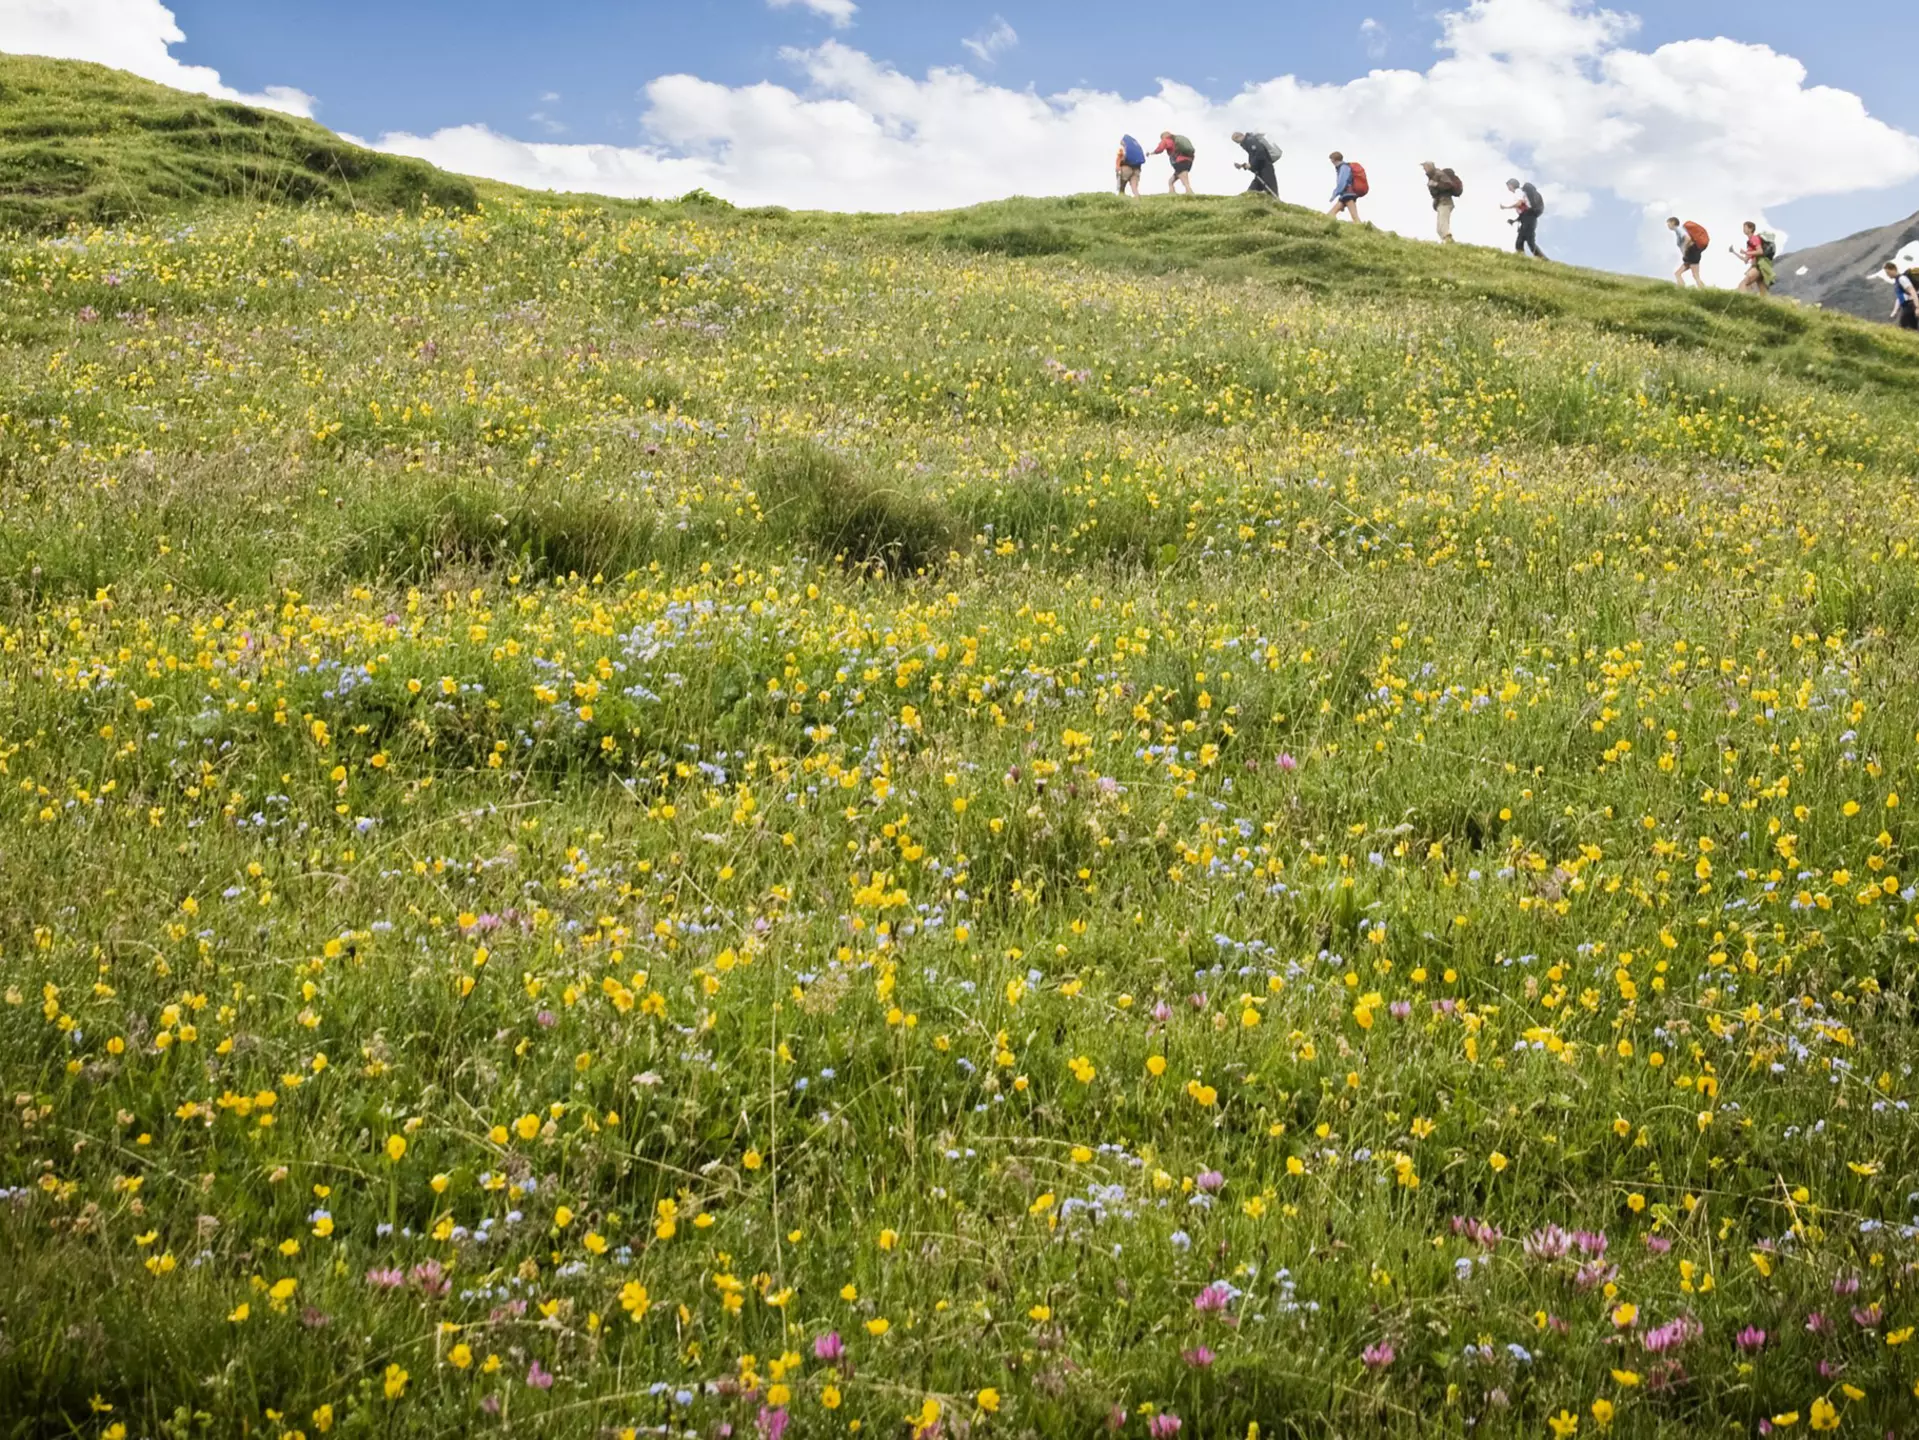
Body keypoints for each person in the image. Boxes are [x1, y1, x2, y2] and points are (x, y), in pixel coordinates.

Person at [1503, 178, 1548, 259]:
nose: (1508, 188)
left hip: (1529, 219)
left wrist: (1506, 207)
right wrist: (1514, 220)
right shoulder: (1521, 192)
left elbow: (1520, 203)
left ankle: (1542, 260)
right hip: (1528, 218)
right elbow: (1524, 208)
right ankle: (1526, 259)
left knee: (1523, 242)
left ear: (1511, 185)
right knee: (1525, 242)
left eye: (1508, 185)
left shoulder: (1518, 192)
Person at [1422, 161, 1462, 243]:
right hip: (1441, 203)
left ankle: (1448, 240)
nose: (1424, 169)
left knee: (1443, 224)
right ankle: (1447, 241)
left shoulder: (1439, 174)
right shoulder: (1433, 176)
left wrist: (1436, 184)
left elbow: (1448, 185)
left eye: (1425, 167)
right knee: (1439, 228)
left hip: (1445, 202)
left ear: (1430, 167)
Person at [1233, 131, 1280, 199]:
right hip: (1259, 172)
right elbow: (1255, 159)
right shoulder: (1248, 143)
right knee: (1250, 193)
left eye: (1237, 141)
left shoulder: (1250, 140)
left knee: (1271, 192)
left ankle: (1278, 206)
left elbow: (1261, 153)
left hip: (1266, 169)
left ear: (1238, 137)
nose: (1238, 144)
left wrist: (1251, 164)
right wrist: (1243, 166)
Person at [1732, 221, 1774, 295]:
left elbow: (1760, 251)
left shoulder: (1754, 239)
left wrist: (1746, 252)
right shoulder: (1749, 242)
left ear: (1750, 229)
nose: (1743, 229)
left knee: (1743, 284)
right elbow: (1745, 260)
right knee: (1763, 291)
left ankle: (1744, 303)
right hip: (1758, 267)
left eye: (1745, 227)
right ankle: (1766, 305)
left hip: (1757, 267)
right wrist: (1734, 252)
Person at [1668, 216, 1708, 287]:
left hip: (1693, 252)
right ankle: (1681, 288)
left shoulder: (1679, 229)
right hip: (1690, 254)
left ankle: (1705, 291)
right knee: (1678, 274)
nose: (1668, 225)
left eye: (1668, 223)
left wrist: (1684, 248)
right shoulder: (1678, 231)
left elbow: (1688, 238)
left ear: (1673, 222)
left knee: (1696, 276)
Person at [1327, 151, 1366, 222]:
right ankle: (1328, 223)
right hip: (1345, 196)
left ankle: (1362, 228)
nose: (1331, 162)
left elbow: (1342, 182)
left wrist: (1335, 194)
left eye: (1331, 160)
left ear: (1334, 159)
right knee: (1330, 214)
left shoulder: (1343, 167)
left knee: (1355, 217)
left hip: (1348, 195)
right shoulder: (1342, 167)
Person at [1889, 262, 1919, 331]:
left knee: (1905, 326)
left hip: (1910, 305)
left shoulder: (1901, 280)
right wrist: (1895, 310)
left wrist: (1917, 307)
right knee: (1910, 326)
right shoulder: (1901, 281)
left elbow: (1910, 292)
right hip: (1910, 305)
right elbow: (1900, 297)